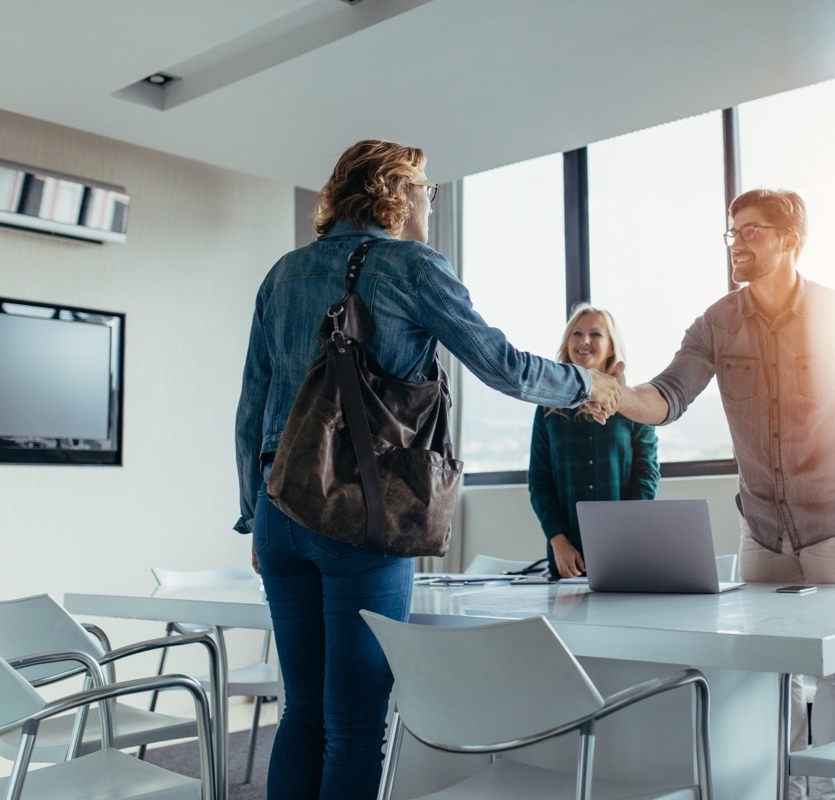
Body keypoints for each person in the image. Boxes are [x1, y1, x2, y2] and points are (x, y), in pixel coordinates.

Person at [233, 139, 622, 799]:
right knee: (354, 724)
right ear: (393, 191)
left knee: (301, 711)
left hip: (280, 513)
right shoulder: (411, 266)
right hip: (363, 511)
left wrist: (254, 514)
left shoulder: (284, 273)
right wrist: (584, 384)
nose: (431, 199)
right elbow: (500, 363)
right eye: (426, 187)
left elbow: (252, 404)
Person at [612, 188, 835, 800]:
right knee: (774, 674)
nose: (736, 243)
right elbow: (668, 395)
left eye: (750, 231)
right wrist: (616, 395)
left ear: (789, 240)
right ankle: (785, 791)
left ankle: (824, 793)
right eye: (732, 232)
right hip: (762, 530)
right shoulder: (717, 322)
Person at [528, 303, 660, 578]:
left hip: (625, 552)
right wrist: (558, 541)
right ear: (567, 343)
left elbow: (646, 476)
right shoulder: (547, 411)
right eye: (577, 333)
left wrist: (625, 537)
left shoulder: (635, 407)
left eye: (596, 334)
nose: (584, 341)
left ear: (611, 347)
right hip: (567, 562)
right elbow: (539, 481)